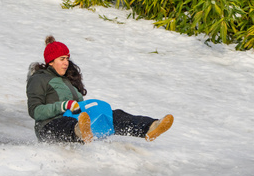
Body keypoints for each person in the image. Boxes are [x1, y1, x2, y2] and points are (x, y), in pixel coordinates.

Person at [26, 36, 174, 143]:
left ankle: (150, 127)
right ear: (51, 61)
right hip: (48, 128)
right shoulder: (38, 79)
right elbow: (35, 111)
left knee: (114, 115)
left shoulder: (67, 80)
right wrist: (63, 106)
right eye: (62, 59)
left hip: (73, 120)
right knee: (64, 124)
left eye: (67, 58)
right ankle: (79, 130)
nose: (66, 63)